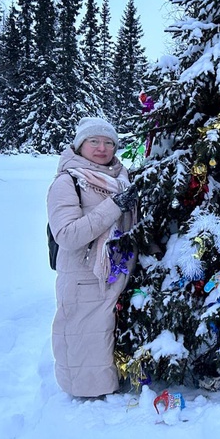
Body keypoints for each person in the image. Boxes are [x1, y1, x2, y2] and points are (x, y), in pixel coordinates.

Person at [47, 117, 139, 399]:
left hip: (118, 271)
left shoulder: (122, 178)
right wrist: (114, 206)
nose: (102, 148)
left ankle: (111, 383)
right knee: (84, 336)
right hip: (84, 276)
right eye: (94, 141)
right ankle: (86, 397)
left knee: (105, 334)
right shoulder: (68, 182)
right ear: (80, 145)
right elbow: (67, 235)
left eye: (109, 142)